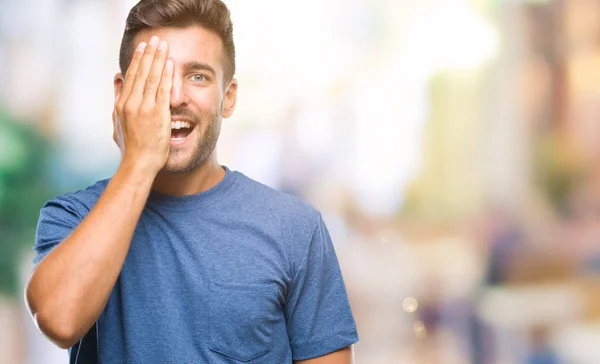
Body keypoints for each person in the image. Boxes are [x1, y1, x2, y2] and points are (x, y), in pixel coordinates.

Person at [24, 0, 359, 363]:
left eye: (197, 76)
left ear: (227, 97)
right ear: (122, 94)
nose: (175, 97)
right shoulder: (72, 216)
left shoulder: (295, 228)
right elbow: (59, 320)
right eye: (155, 78)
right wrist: (138, 162)